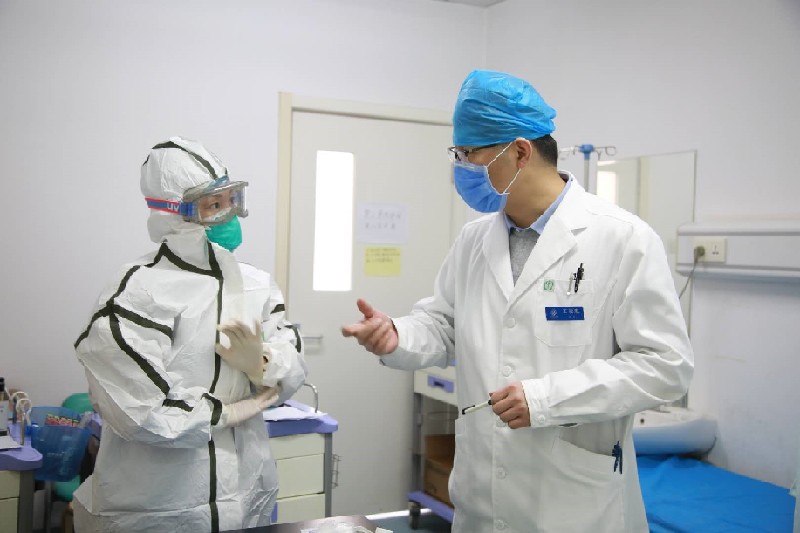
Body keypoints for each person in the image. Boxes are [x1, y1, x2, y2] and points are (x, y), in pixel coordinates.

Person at [341, 70, 693, 532]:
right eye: (457, 154)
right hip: (481, 498)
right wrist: (398, 335)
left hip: (572, 505)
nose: (461, 167)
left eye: (469, 153)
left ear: (521, 152)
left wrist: (547, 398)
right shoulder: (473, 241)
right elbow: (443, 324)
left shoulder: (623, 239)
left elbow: (665, 366)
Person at [73, 137, 306, 532]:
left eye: (231, 199)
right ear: (171, 213)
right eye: (213, 205)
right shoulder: (136, 293)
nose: (230, 215)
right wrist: (226, 413)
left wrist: (262, 364)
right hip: (160, 506)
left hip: (246, 495)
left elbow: (292, 366)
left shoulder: (254, 284)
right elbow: (135, 410)